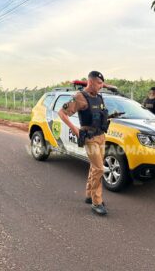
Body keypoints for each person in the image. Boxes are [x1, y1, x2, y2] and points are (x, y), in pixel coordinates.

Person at [58, 71, 112, 216]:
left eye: (102, 84)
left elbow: (100, 112)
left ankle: (89, 195)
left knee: (94, 167)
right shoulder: (80, 97)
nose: (102, 87)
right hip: (90, 138)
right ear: (91, 82)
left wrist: (109, 86)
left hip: (101, 136)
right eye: (99, 84)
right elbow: (61, 113)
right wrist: (75, 129)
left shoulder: (98, 96)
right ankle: (96, 202)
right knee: (99, 168)